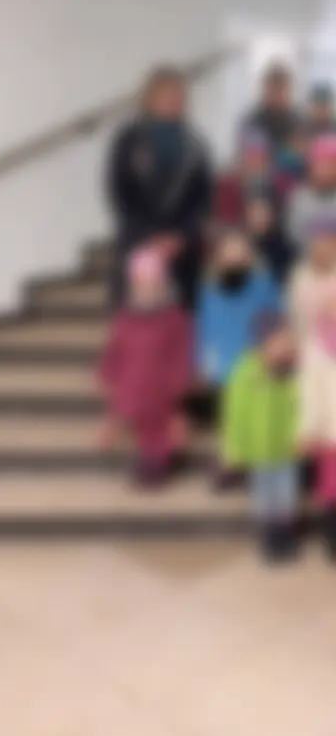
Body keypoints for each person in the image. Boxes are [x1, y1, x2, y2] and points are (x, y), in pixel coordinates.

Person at [105, 65, 215, 311]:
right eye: (165, 94)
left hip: (183, 256)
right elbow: (120, 194)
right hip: (138, 249)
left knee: (181, 326)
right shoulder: (128, 141)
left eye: (178, 94)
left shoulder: (196, 144)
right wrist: (149, 236)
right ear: (149, 97)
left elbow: (203, 199)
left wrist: (182, 237)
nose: (172, 100)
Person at [98, 248, 194, 488]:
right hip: (134, 380)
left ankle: (161, 460)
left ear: (162, 285)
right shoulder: (125, 318)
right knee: (141, 423)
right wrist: (108, 372)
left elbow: (182, 350)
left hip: (162, 382)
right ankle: (146, 457)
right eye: (142, 284)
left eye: (152, 284)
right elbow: (115, 349)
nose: (147, 289)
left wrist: (181, 379)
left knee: (160, 423)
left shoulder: (174, 318)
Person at [219, 312, 301, 562]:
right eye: (279, 340)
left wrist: (302, 434)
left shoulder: (294, 373)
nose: (284, 345)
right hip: (259, 450)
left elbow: (299, 406)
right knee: (264, 496)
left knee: (286, 494)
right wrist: (234, 449)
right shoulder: (245, 371)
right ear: (262, 342)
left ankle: (285, 534)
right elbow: (235, 414)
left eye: (287, 340)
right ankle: (269, 537)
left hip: (287, 448)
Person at [193, 228, 281, 435]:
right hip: (221, 369)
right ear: (220, 255)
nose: (234, 255)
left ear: (248, 253)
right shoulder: (209, 290)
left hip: (255, 364)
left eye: (239, 249)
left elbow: (275, 321)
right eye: (229, 250)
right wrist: (201, 365)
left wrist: (269, 355)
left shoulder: (264, 284)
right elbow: (203, 330)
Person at [288, 215, 336, 555]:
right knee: (330, 487)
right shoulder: (316, 352)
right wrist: (307, 429)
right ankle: (331, 537)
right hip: (329, 432)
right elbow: (309, 395)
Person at [214, 128, 292, 227]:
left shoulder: (278, 184)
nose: (254, 161)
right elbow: (225, 220)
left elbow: (282, 219)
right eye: (250, 155)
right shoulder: (228, 185)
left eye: (259, 155)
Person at [242, 63, 301, 178]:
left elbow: (300, 156)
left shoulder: (297, 121)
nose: (278, 95)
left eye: (282, 89)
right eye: (274, 89)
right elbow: (251, 162)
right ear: (266, 90)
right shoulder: (253, 122)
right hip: (260, 182)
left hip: (293, 182)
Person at [286, 135, 336, 253]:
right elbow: (293, 233)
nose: (326, 170)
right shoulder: (298, 197)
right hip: (307, 260)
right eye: (321, 165)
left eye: (331, 166)